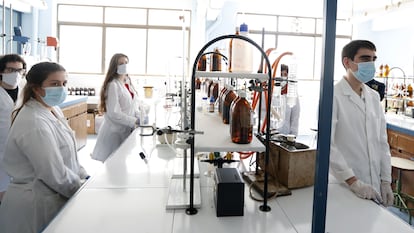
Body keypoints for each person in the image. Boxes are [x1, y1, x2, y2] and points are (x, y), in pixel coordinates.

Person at [0, 62, 89, 232]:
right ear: (36, 88)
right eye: (54, 84)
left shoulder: (52, 109)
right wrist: (82, 190)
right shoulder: (35, 122)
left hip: (50, 198)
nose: (61, 88)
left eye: (64, 83)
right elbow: (53, 173)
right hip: (33, 205)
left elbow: (69, 155)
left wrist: (84, 175)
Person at [329, 40, 394, 207]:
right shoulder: (332, 96)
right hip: (345, 186)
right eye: (365, 58)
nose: (371, 64)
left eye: (373, 59)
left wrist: (386, 180)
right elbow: (328, 146)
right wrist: (354, 182)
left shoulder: (373, 97)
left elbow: (382, 142)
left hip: (373, 184)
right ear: (347, 62)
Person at [91, 53, 142, 162]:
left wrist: (140, 116)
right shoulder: (113, 85)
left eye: (126, 63)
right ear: (114, 66)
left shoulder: (126, 82)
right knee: (112, 167)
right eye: (121, 63)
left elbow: (132, 105)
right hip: (114, 133)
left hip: (125, 130)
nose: (124, 65)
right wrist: (135, 121)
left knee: (121, 165)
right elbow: (114, 113)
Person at [0, 54, 26, 204]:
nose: (16, 74)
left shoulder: (24, 90)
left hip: (19, 144)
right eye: (11, 70)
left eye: (20, 70)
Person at [277, 64, 300, 135]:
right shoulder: (271, 93)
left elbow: (295, 116)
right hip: (271, 134)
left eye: (285, 74)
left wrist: (293, 135)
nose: (283, 77)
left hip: (286, 135)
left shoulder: (292, 94)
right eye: (281, 74)